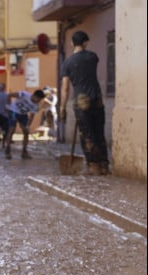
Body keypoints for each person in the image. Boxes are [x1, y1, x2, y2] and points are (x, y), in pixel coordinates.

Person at [59, 30, 110, 175]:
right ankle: (104, 165)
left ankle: (93, 166)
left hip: (81, 101)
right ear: (85, 42)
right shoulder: (93, 57)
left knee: (87, 134)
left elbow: (65, 88)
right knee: (99, 133)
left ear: (71, 43)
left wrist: (62, 108)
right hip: (97, 99)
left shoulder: (67, 63)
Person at [3, 89, 46, 159]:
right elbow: (9, 95)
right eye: (38, 99)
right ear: (35, 96)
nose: (39, 101)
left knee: (26, 132)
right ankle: (7, 150)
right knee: (11, 130)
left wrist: (28, 126)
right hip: (14, 111)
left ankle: (24, 152)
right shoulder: (23, 94)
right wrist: (8, 106)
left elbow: (32, 116)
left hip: (23, 115)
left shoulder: (35, 105)